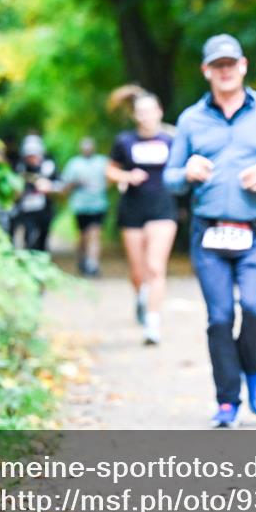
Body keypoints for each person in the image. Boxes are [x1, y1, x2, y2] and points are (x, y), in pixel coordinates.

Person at [165, 34, 256, 428]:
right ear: (206, 71)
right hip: (208, 234)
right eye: (217, 65)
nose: (225, 71)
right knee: (220, 318)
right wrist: (187, 173)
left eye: (231, 64)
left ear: (242, 65)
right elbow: (170, 178)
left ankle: (253, 368)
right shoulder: (191, 119)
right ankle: (227, 401)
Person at [107, 89, 178, 345]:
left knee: (155, 267)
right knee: (138, 272)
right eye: (141, 112)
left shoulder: (172, 139)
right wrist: (127, 177)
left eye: (151, 111)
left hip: (163, 207)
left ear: (159, 112)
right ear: (135, 116)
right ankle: (141, 296)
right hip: (133, 209)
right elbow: (111, 171)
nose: (146, 116)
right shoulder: (124, 141)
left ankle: (152, 323)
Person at [62, 137, 110, 276]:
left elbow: (110, 179)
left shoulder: (102, 161)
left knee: (95, 234)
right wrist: (76, 184)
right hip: (80, 206)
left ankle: (93, 264)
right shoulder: (74, 164)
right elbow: (66, 185)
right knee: (83, 236)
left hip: (98, 204)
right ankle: (83, 260)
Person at [13, 134, 62, 253]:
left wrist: (49, 187)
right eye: (29, 156)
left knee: (42, 238)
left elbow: (61, 185)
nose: (32, 159)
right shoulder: (20, 168)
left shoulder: (49, 167)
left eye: (34, 155)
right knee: (30, 237)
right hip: (27, 210)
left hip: (45, 209)